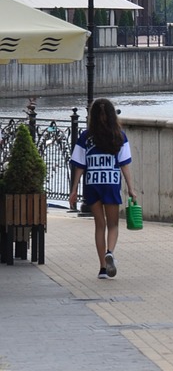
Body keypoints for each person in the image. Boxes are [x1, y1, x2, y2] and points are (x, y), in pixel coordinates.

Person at [69, 98, 135, 281]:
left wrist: (74, 189)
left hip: (92, 184)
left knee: (100, 225)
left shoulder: (85, 137)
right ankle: (110, 252)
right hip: (111, 184)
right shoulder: (119, 136)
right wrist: (131, 188)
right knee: (113, 224)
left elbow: (79, 166)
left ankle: (102, 268)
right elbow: (124, 165)